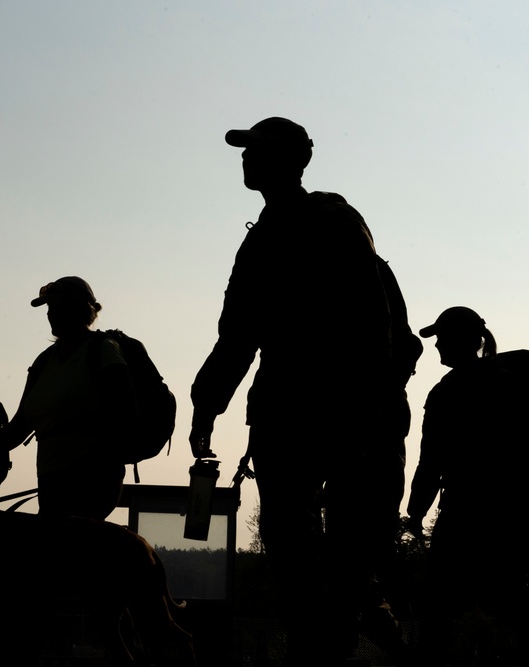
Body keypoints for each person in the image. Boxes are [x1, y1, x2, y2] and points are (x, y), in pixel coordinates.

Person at [189, 117, 399, 664]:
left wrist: (361, 411)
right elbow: (237, 334)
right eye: (245, 151)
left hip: (339, 411)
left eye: (259, 151)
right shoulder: (259, 238)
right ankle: (319, 648)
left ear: (296, 160)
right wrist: (206, 406)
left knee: (343, 556)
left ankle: (339, 641)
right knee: (290, 552)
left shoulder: (332, 221)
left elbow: (373, 322)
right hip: (281, 412)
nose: (246, 159)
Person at [406, 306, 529, 665]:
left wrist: (415, 510)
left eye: (442, 337)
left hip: (466, 510)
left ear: (462, 341)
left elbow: (431, 458)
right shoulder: (506, 383)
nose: (437, 345)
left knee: (440, 600)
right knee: (509, 594)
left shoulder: (448, 392)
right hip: (510, 510)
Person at [0, 276, 137, 519]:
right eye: (50, 308)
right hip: (51, 478)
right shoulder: (43, 361)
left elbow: (126, 409)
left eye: (59, 307)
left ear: (80, 310)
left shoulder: (103, 350)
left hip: (93, 477)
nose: (51, 315)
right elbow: (20, 425)